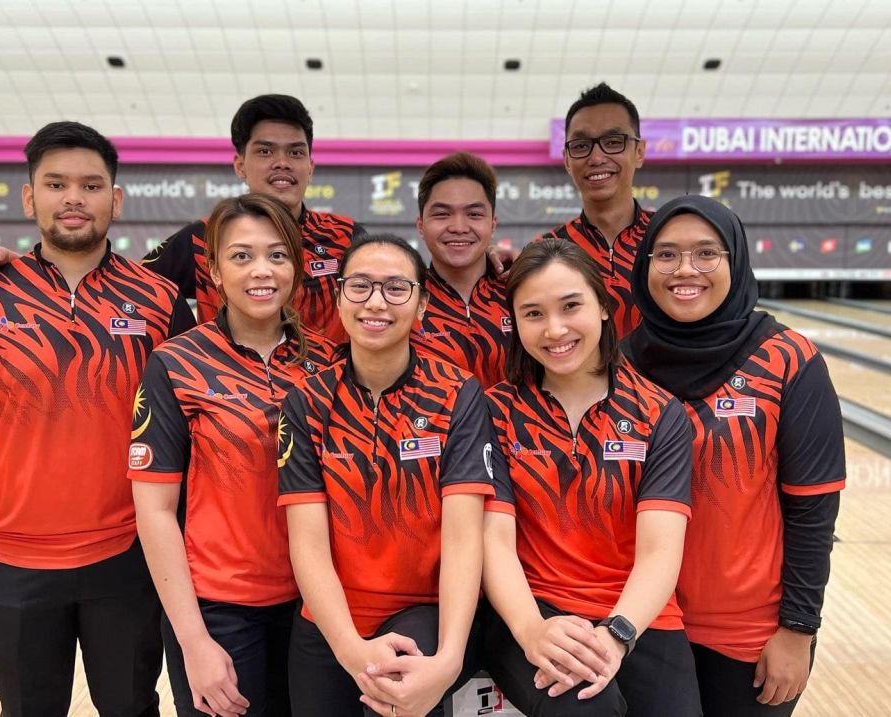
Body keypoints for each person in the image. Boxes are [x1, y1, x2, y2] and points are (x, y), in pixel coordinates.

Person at [0, 121, 195, 716]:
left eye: (92, 185)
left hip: (127, 561)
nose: (74, 198)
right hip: (10, 568)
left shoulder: (159, 299)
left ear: (114, 200)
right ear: (30, 197)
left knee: (133, 709)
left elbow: (197, 423)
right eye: (56, 183)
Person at [623, 195, 845, 716]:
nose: (685, 270)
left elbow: (814, 513)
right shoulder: (617, 363)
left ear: (735, 261)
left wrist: (798, 630)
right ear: (646, 264)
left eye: (706, 254)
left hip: (748, 630)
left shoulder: (790, 359)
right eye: (667, 254)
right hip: (639, 622)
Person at [129, 193, 338, 717]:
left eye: (277, 254)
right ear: (215, 272)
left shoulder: (332, 363)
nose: (260, 270)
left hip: (319, 606)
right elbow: (154, 511)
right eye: (241, 256)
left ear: (296, 267)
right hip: (219, 612)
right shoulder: (175, 363)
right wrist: (193, 641)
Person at [277, 234, 497, 716]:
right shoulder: (307, 401)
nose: (376, 302)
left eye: (397, 288)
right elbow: (307, 543)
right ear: (338, 299)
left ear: (421, 304)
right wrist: (351, 650)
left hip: (426, 615)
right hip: (331, 620)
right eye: (360, 286)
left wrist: (449, 658)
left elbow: (465, 538)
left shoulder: (457, 394)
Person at [482, 239, 702, 716]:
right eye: (534, 314)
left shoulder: (658, 413)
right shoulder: (495, 410)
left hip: (640, 615)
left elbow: (661, 549)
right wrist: (530, 628)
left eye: (570, 306)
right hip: (532, 607)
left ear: (603, 307)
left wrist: (617, 635)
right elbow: (493, 540)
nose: (555, 329)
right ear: (514, 323)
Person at [0, 94, 364, 340]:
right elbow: (118, 287)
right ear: (240, 165)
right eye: (264, 151)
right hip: (229, 406)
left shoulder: (346, 237)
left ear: (311, 165)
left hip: (326, 417)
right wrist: (29, 270)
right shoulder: (200, 239)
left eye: (295, 152)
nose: (281, 163)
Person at [538, 82, 648, 339]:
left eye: (613, 141)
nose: (596, 157)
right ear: (567, 160)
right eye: (580, 146)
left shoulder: (670, 241)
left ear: (639, 152)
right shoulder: (547, 249)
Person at [411, 152, 510, 388]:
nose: (458, 227)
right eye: (442, 214)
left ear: (492, 225)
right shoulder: (403, 299)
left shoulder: (523, 292)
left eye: (474, 214)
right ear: (421, 226)